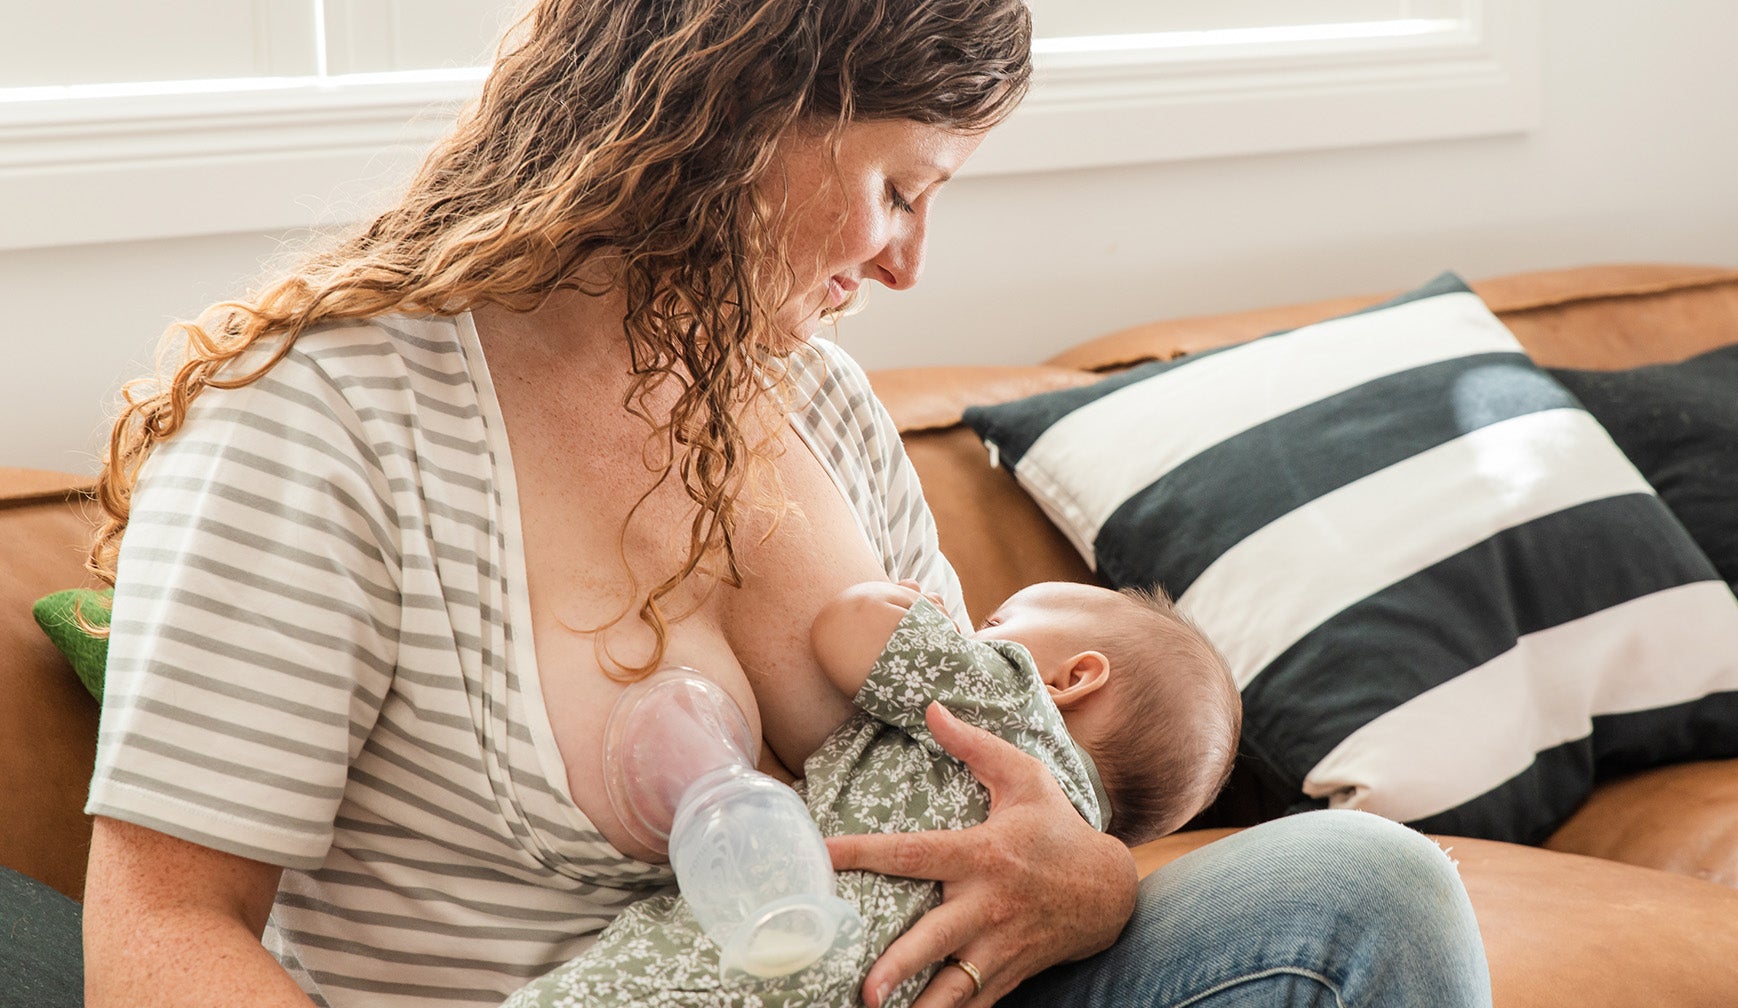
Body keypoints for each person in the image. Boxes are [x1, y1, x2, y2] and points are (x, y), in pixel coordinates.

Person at [77, 1, 1495, 1007]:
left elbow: (983, 751)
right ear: (740, 111)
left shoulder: (819, 404)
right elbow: (158, 928)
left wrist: (1090, 886)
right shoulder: (328, 419)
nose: (907, 266)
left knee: (1370, 895)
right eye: (897, 188)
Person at [504, 577, 1243, 1007]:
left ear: (1073, 678)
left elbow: (847, 628)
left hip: (779, 946)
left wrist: (907, 610)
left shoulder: (1018, 707)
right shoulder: (1067, 819)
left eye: (996, 622)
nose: (970, 628)